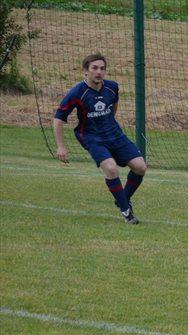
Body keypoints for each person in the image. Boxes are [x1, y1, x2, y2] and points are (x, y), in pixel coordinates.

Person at [53, 53, 147, 224]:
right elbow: (58, 119)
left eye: (102, 68)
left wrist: (108, 123)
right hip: (91, 136)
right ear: (85, 71)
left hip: (114, 133)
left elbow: (114, 105)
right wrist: (61, 146)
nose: (99, 72)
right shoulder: (77, 92)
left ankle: (122, 199)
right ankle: (126, 212)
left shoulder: (112, 87)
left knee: (140, 167)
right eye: (94, 68)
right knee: (111, 169)